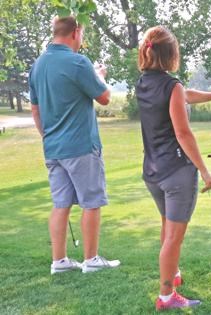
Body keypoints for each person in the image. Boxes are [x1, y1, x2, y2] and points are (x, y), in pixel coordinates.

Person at [135, 26, 211, 311]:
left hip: (152, 171)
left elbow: (183, 94)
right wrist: (204, 169)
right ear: (171, 54)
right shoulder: (171, 86)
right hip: (177, 172)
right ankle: (166, 297)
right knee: (174, 238)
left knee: (167, 229)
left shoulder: (144, 83)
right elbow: (183, 133)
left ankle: (172, 275)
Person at [29, 16, 120, 275]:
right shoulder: (78, 62)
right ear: (75, 32)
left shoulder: (37, 66)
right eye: (82, 34)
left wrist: (47, 137)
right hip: (80, 146)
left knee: (61, 204)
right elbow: (104, 97)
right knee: (91, 202)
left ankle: (59, 261)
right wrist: (99, 75)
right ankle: (91, 260)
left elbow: (35, 110)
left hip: (53, 148)